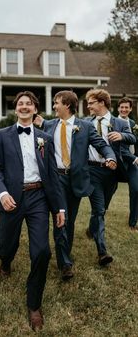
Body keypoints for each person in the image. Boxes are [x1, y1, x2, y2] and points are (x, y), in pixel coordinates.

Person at [0, 91, 65, 332]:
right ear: (16, 109)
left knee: (42, 251)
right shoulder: (2, 135)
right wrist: (2, 193)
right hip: (11, 196)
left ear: (35, 109)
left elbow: (52, 174)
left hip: (38, 197)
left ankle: (34, 305)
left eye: (28, 104)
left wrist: (59, 207)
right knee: (6, 244)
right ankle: (5, 260)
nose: (24, 107)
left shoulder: (45, 137)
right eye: (20, 104)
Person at [34, 90, 117, 276]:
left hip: (76, 179)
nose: (54, 106)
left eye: (57, 103)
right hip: (56, 178)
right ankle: (64, 263)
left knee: (69, 220)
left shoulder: (85, 127)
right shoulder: (49, 125)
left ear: (68, 105)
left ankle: (65, 252)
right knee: (60, 218)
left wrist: (111, 157)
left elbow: (102, 145)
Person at [86, 89, 136, 264]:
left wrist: (122, 135)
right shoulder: (85, 122)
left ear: (101, 103)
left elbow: (133, 138)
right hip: (92, 170)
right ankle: (102, 252)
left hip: (113, 173)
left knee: (102, 207)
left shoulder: (118, 122)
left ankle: (92, 229)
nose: (88, 106)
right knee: (99, 209)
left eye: (91, 102)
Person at [117, 96, 138, 231]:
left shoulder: (133, 123)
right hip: (118, 162)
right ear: (118, 108)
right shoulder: (113, 123)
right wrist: (133, 158)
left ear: (130, 109)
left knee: (136, 190)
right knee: (108, 192)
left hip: (132, 163)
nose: (124, 109)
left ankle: (132, 223)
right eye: (122, 107)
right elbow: (118, 147)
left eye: (126, 107)